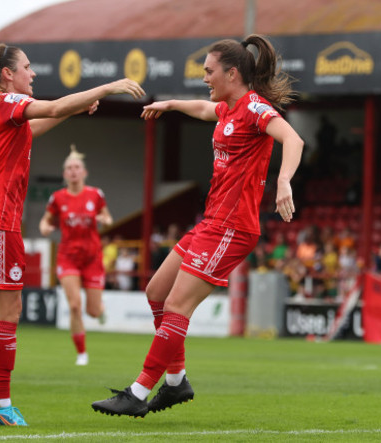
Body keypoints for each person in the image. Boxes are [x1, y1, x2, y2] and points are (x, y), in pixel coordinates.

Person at [91, 34, 303, 417]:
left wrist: (284, 180)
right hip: (211, 222)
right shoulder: (227, 109)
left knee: (176, 304)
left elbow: (293, 138)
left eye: (209, 72)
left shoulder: (255, 108)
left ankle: (138, 392)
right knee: (156, 292)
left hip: (233, 227)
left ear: (232, 73)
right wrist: (171, 104)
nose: (205, 79)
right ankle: (175, 383)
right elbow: (204, 110)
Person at [0, 43, 145, 426]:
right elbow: (54, 107)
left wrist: (76, 106)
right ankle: (0, 403)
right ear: (7, 74)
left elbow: (41, 122)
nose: (33, 73)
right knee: (8, 312)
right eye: (27, 67)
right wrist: (109, 87)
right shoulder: (8, 101)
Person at [38, 145, 112, 366]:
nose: (73, 171)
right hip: (68, 256)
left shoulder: (95, 194)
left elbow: (106, 216)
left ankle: (100, 309)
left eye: (76, 167)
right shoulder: (57, 198)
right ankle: (81, 353)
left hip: (92, 258)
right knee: (74, 306)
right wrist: (44, 228)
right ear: (64, 174)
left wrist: (105, 220)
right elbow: (46, 220)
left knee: (92, 310)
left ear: (84, 172)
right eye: (69, 168)